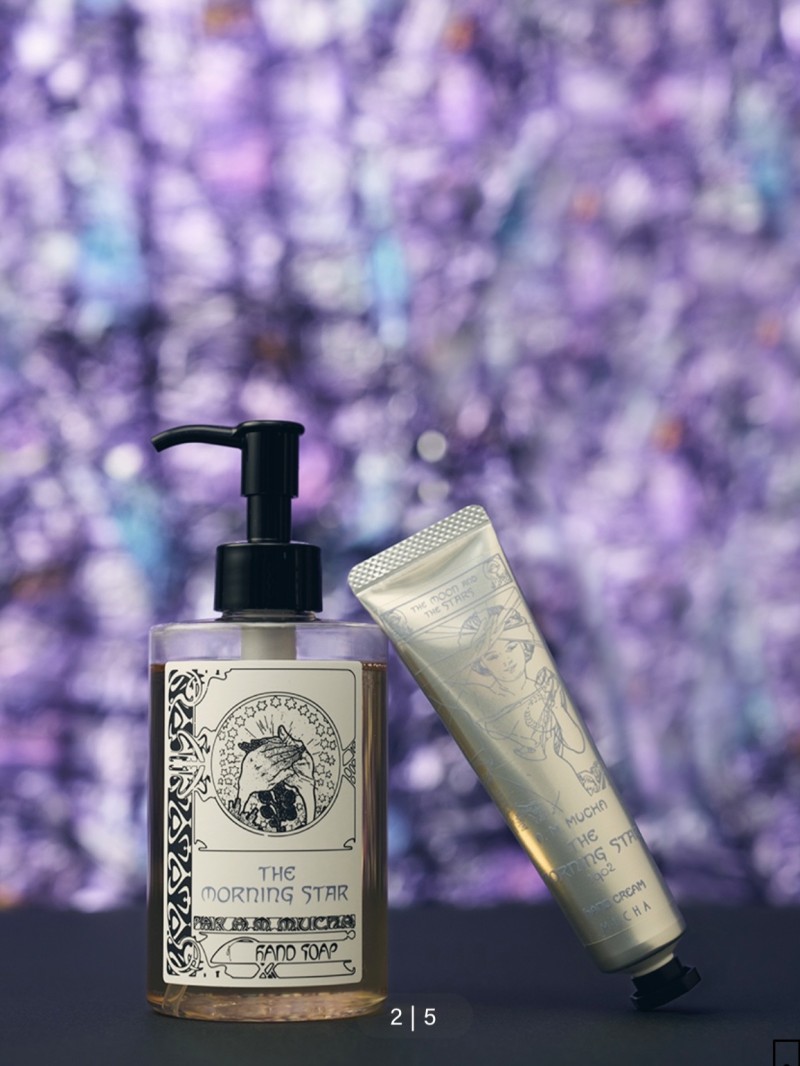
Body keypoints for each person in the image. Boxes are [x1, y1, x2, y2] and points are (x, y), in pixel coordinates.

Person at [458, 603, 606, 796]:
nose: (507, 660)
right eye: (493, 656)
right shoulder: (489, 712)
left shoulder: (549, 683)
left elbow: (579, 748)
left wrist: (557, 708)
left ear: (524, 645)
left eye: (511, 646)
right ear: (482, 665)